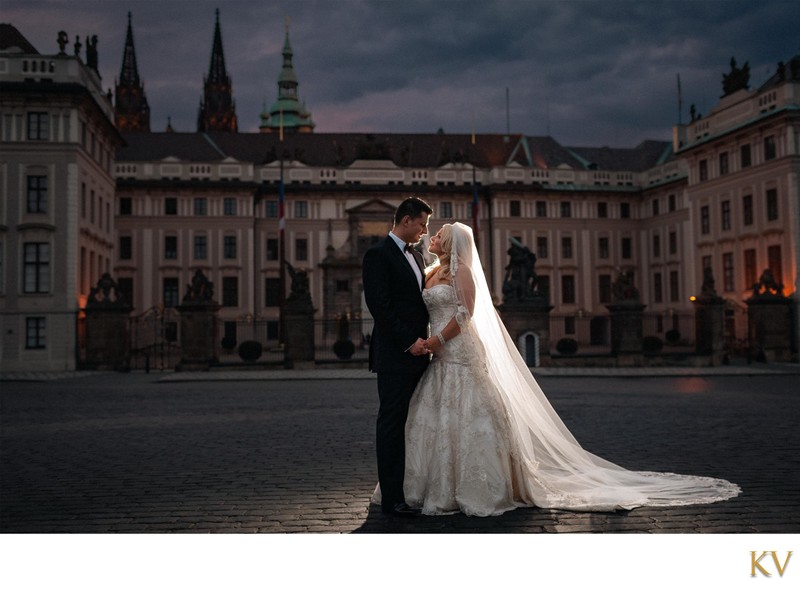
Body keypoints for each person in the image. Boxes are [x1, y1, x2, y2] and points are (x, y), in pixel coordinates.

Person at [382, 222, 740, 516]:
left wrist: (435, 342)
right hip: (440, 354)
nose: (435, 233)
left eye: (441, 231)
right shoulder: (428, 270)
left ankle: (479, 485)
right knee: (436, 416)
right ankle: (432, 483)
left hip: (457, 348)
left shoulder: (462, 273)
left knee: (472, 412)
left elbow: (464, 314)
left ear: (453, 243)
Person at [362, 197, 433, 517]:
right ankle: (393, 498)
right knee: (391, 424)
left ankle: (414, 486)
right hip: (395, 355)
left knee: (415, 423)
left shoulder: (417, 256)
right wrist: (409, 342)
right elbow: (380, 307)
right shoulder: (377, 255)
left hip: (421, 354)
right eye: (422, 224)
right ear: (406, 220)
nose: (425, 231)